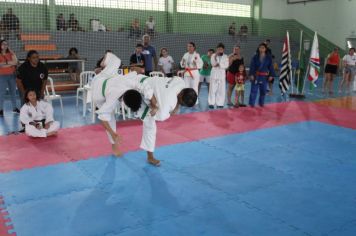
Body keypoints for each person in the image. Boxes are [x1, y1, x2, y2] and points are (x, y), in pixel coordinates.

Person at [91, 52, 155, 157]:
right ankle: (114, 145)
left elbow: (144, 87)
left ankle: (102, 66)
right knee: (109, 117)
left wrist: (154, 104)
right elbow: (102, 118)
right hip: (98, 93)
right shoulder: (113, 98)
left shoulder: (131, 83)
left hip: (107, 78)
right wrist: (113, 134)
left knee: (116, 60)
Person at [132, 76, 197, 166]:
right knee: (150, 127)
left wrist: (176, 105)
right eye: (182, 103)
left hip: (144, 79)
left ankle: (150, 156)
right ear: (181, 94)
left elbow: (173, 82)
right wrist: (171, 111)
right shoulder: (170, 101)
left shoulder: (181, 82)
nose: (181, 105)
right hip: (139, 91)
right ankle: (150, 157)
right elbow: (160, 116)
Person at [248, 43, 275, 107]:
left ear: (265, 49)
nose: (261, 49)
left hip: (264, 77)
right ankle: (251, 104)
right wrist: (251, 74)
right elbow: (252, 66)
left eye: (263, 47)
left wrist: (271, 75)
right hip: (256, 76)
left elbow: (271, 67)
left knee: (263, 91)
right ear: (258, 48)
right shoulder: (255, 57)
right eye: (260, 47)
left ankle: (261, 103)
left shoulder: (268, 58)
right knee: (253, 91)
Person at [0, 39, 19, 116]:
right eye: (3, 44)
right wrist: (11, 64)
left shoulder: (11, 53)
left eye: (6, 44)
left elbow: (16, 62)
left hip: (12, 75)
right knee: (1, 93)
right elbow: (0, 65)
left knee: (13, 93)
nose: (5, 46)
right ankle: (0, 109)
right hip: (2, 76)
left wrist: (5, 64)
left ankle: (14, 108)